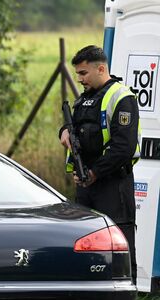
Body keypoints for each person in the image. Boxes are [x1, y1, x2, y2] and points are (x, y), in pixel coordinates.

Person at [59, 45, 141, 283]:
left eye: (83, 73)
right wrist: (63, 131)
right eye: (78, 74)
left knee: (119, 246)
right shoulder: (84, 99)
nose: (80, 79)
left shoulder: (121, 97)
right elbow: (77, 127)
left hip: (112, 185)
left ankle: (125, 290)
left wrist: (94, 173)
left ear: (101, 68)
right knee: (85, 243)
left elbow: (123, 148)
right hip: (86, 184)